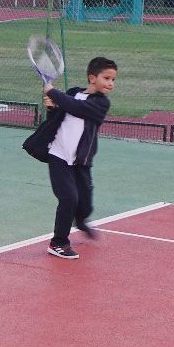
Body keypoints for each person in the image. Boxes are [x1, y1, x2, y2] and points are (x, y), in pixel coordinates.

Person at [41, 56, 117, 260]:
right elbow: (61, 114)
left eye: (113, 79)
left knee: (85, 203)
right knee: (68, 198)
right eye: (106, 78)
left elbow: (77, 109)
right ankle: (58, 243)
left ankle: (81, 220)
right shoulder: (73, 92)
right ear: (92, 78)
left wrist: (52, 92)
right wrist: (52, 107)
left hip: (81, 162)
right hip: (58, 155)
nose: (111, 83)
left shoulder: (101, 103)